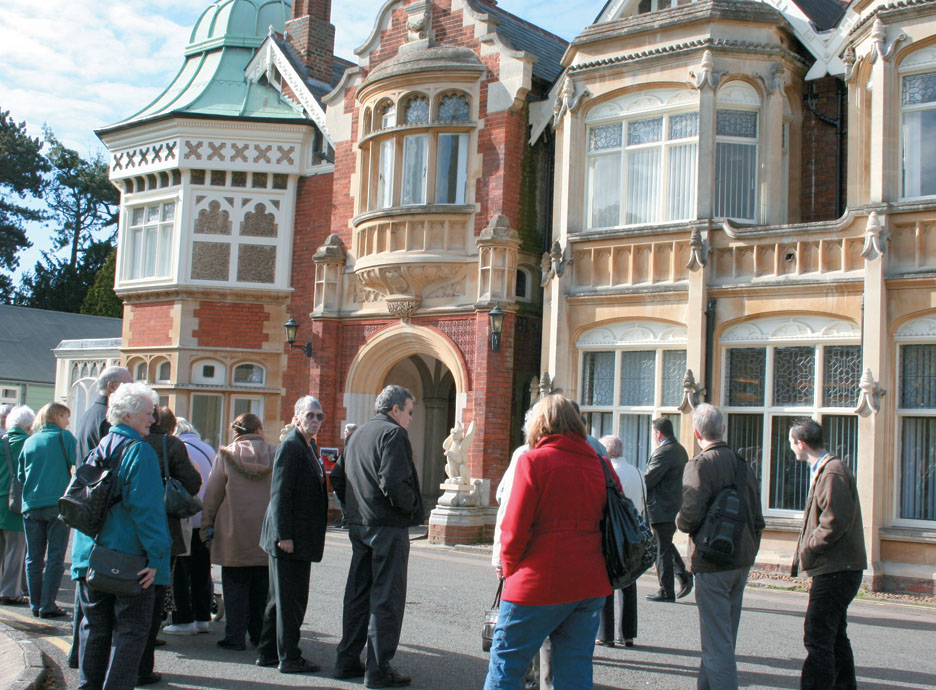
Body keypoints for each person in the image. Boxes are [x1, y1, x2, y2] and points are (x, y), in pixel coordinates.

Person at [484, 394, 613, 690]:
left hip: (538, 582)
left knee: (506, 665)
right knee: (575, 672)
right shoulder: (601, 465)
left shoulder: (532, 462)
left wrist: (508, 568)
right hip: (590, 582)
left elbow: (513, 529)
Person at [71, 382, 171, 690]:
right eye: (148, 413)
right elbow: (148, 511)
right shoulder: (139, 452)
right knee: (130, 633)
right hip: (131, 561)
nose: (153, 419)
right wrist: (157, 558)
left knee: (94, 629)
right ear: (128, 414)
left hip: (92, 556)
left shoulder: (99, 448)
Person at [331, 385, 424, 688]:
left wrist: (351, 510)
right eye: (409, 411)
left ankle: (346, 660)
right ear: (395, 409)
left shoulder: (357, 434)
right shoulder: (393, 434)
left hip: (360, 526)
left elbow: (337, 476)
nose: (410, 418)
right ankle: (378, 668)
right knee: (386, 598)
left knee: (357, 595)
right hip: (386, 527)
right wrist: (411, 509)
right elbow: (393, 481)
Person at [676, 404, 764, 690]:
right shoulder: (743, 465)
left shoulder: (700, 464)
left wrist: (678, 520)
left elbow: (688, 518)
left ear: (696, 432)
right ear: (723, 429)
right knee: (722, 638)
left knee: (717, 645)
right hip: (741, 560)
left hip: (712, 562)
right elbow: (757, 517)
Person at [789, 420, 866, 690]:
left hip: (836, 569)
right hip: (838, 567)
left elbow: (834, 522)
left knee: (818, 637)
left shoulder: (832, 472)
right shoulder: (827, 469)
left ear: (801, 443)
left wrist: (808, 546)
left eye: (791, 442)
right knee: (834, 637)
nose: (791, 448)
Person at [256, 397, 329, 673]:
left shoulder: (308, 445)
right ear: (297, 417)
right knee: (291, 601)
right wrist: (284, 535)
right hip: (288, 539)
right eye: (310, 415)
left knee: (279, 599)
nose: (315, 420)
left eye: (320, 416)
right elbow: (280, 495)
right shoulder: (291, 446)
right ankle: (290, 657)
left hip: (297, 536)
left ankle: (267, 652)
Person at [69, 366, 133, 667]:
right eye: (127, 386)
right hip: (102, 518)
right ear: (111, 386)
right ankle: (88, 666)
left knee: (86, 602)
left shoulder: (87, 415)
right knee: (95, 611)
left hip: (88, 512)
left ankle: (76, 657)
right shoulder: (106, 421)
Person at [138, 407, 201, 686]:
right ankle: (144, 661)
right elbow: (193, 482)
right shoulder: (171, 444)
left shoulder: (128, 440)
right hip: (165, 526)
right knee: (157, 590)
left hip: (129, 529)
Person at [200, 413, 275, 650]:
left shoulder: (225, 455)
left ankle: (234, 636)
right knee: (262, 588)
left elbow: (212, 495)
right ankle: (258, 634)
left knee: (234, 588)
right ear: (259, 430)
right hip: (265, 532)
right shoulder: (275, 454)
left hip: (233, 532)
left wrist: (206, 526)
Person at [18, 402, 76, 618]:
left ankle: (35, 603)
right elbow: (77, 463)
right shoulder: (65, 437)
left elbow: (22, 476)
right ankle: (47, 604)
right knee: (55, 557)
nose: (68, 421)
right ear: (57, 416)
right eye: (65, 416)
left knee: (33, 558)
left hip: (31, 505)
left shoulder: (30, 440)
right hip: (57, 505)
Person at [164, 417, 215, 635]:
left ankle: (183, 619)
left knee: (180, 572)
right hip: (205, 518)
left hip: (185, 517)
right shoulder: (209, 449)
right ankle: (203, 617)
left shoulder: (178, 448)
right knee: (202, 570)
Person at [596, 434, 645, 649]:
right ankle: (627, 634)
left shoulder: (607, 471)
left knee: (607, 581)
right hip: (632, 533)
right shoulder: (638, 472)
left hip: (611, 533)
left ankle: (605, 634)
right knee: (628, 581)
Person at [644, 417, 691, 602]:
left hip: (661, 507)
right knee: (665, 543)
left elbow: (648, 479)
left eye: (654, 433)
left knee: (660, 548)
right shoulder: (679, 450)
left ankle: (666, 590)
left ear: (659, 433)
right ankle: (684, 577)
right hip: (672, 505)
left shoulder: (664, 452)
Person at [0, 406, 33, 606]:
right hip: (15, 502)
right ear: (29, 426)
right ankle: (10, 591)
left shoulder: (2, 442)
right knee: (16, 549)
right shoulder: (27, 443)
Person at [75, 366, 134, 460]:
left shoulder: (89, 413)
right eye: (129, 385)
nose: (133, 390)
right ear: (112, 386)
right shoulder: (111, 416)